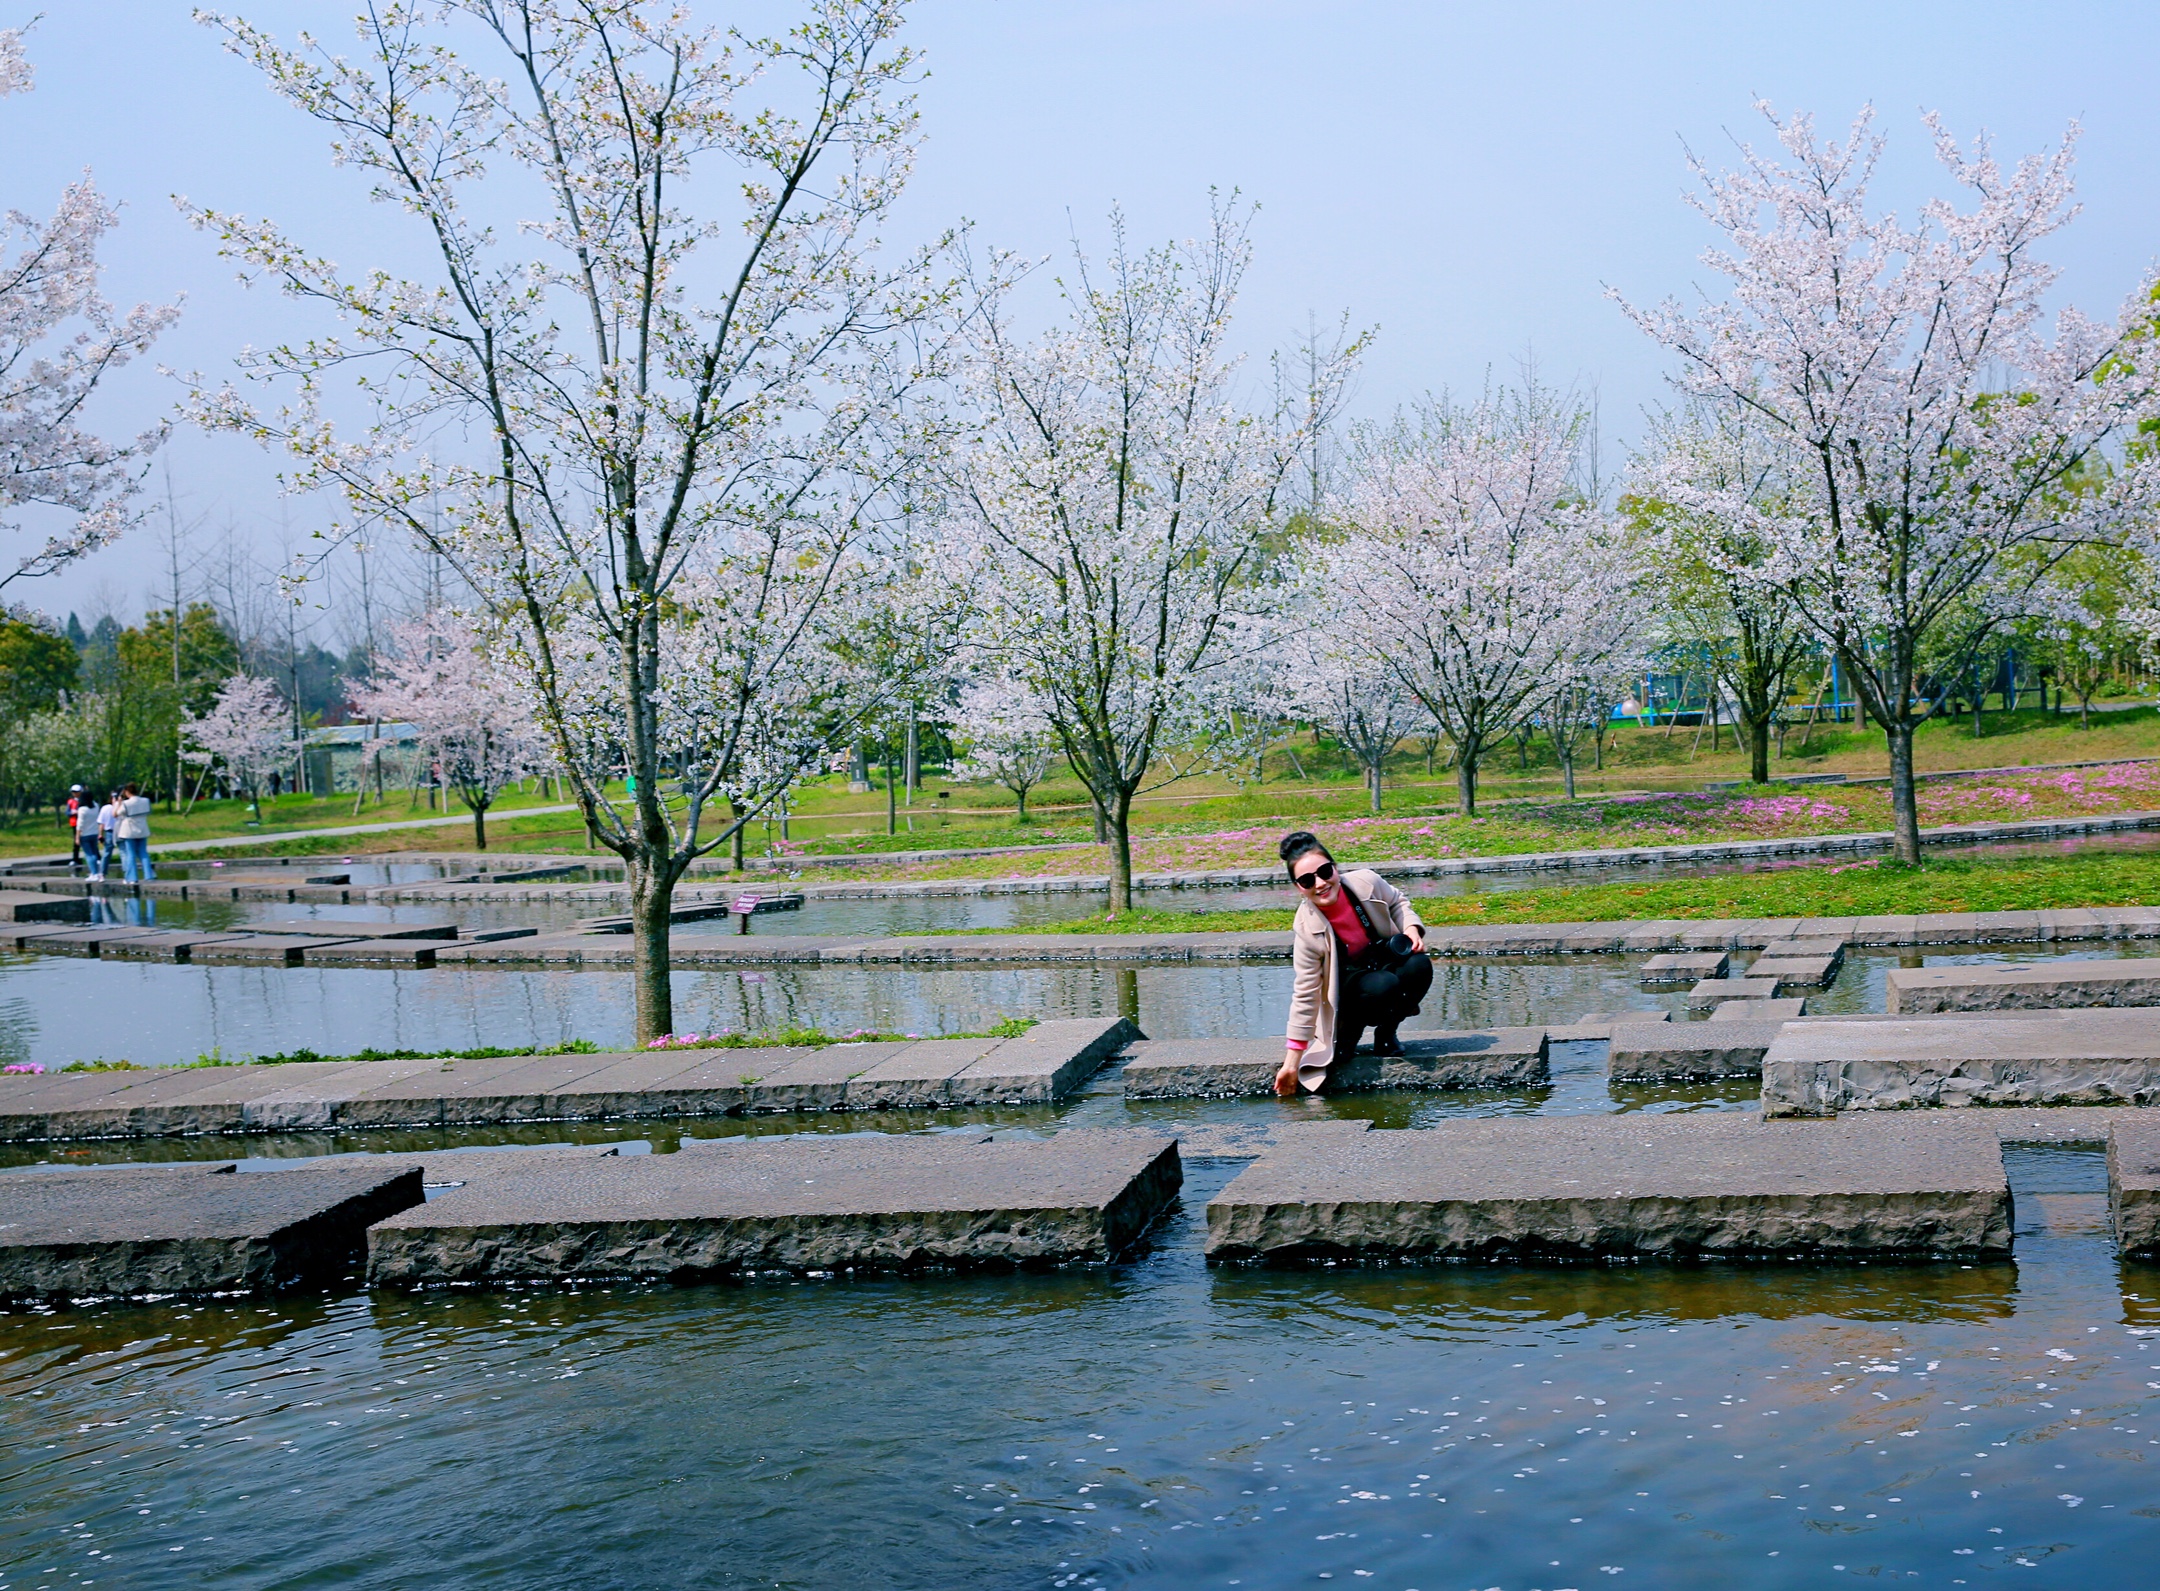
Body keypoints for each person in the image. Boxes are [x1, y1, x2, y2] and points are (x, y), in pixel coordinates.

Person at [1276, 830, 1433, 1098]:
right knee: (1383, 985)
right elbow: (1305, 995)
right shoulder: (1305, 929)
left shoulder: (1365, 882)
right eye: (1306, 880)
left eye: (1325, 871)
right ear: (1298, 887)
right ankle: (1349, 1032)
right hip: (1348, 988)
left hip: (1379, 961)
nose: (1320, 883)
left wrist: (1411, 929)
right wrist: (1291, 1063)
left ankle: (1387, 1033)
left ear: (1335, 868)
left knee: (1418, 965)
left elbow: (1397, 902)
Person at [114, 782, 155, 883]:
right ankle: (149, 876)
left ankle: (132, 878)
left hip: (129, 830)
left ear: (127, 792)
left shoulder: (126, 803)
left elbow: (116, 814)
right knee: (144, 853)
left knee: (130, 854)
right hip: (142, 829)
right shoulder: (145, 801)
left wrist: (118, 803)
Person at [64, 785, 87, 870]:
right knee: (76, 842)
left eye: (77, 792)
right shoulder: (70, 801)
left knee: (87, 840)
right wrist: (72, 813)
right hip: (75, 823)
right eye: (73, 792)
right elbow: (67, 812)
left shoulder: (84, 800)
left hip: (84, 823)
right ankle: (75, 859)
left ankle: (95, 857)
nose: (75, 794)